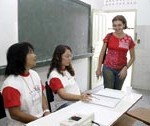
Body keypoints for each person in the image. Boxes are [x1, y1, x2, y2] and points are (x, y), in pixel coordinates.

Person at [1, 42, 50, 126]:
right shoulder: (10, 84)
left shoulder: (34, 74)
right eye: (30, 53)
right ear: (19, 57)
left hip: (39, 120)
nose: (35, 55)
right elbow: (15, 114)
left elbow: (40, 94)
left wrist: (46, 111)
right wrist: (39, 122)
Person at [96, 15, 135, 90]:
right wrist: (98, 68)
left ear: (124, 25)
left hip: (122, 69)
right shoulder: (109, 36)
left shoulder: (129, 39)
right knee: (109, 91)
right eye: (114, 25)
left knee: (117, 91)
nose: (117, 28)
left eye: (119, 25)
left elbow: (133, 57)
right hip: (108, 68)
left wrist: (125, 68)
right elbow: (102, 53)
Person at [47, 45, 91, 110]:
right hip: (64, 104)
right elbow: (63, 95)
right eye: (67, 56)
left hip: (76, 101)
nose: (70, 58)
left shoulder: (68, 71)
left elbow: (74, 87)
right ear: (58, 57)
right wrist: (80, 97)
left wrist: (83, 94)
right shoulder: (54, 75)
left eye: (70, 56)